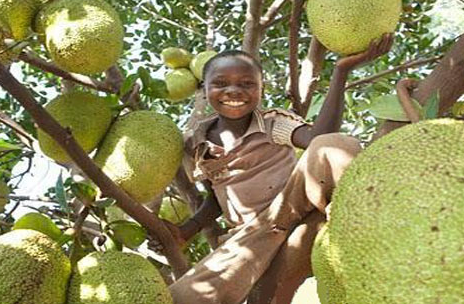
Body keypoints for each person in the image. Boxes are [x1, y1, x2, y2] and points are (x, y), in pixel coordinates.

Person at [154, 34, 393, 304]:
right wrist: (188, 229)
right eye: (220, 84)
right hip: (249, 234)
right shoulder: (196, 144)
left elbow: (319, 140)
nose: (233, 91)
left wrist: (340, 72)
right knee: (183, 297)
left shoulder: (271, 121)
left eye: (246, 84)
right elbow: (216, 198)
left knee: (334, 144)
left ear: (260, 89)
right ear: (205, 89)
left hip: (292, 203)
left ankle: (364, 216)